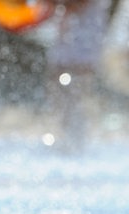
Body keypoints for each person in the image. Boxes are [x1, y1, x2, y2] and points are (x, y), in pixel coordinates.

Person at [44, 0, 111, 152]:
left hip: (84, 43)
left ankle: (77, 140)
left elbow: (77, 4)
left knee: (76, 93)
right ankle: (69, 138)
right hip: (69, 40)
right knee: (62, 91)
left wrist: (50, 4)